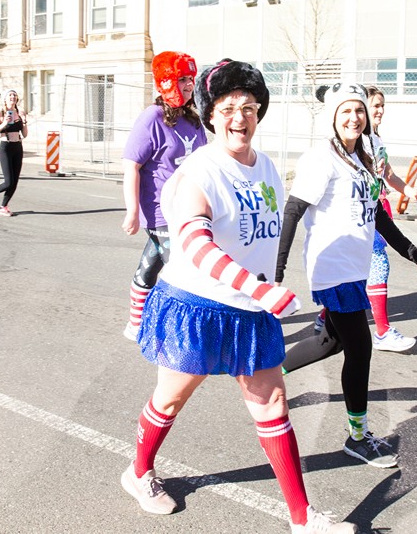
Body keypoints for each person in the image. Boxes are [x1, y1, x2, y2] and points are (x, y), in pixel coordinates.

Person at [122, 60, 357, 534]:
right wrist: (258, 287)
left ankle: (303, 518)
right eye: (228, 107)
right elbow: (195, 243)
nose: (239, 117)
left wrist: (269, 286)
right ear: (210, 115)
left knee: (273, 407)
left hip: (251, 312)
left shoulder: (266, 166)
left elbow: (265, 238)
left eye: (248, 107)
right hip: (198, 307)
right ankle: (139, 471)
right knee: (169, 401)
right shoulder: (197, 173)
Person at [275, 81, 417, 469]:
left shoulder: (363, 156)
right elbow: (293, 210)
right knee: (360, 349)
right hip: (333, 268)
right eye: (346, 111)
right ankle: (358, 438)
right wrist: (275, 269)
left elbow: (376, 212)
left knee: (331, 342)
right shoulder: (321, 158)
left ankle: (267, 371)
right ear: (332, 117)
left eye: (358, 110)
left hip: (354, 266)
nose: (354, 117)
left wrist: (410, 250)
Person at [120, 51, 207, 341]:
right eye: (181, 79)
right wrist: (132, 211)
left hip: (190, 209)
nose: (188, 85)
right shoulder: (152, 118)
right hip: (161, 211)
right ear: (166, 81)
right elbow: (132, 165)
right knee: (184, 272)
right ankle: (181, 335)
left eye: (190, 80)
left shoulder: (193, 120)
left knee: (151, 264)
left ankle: (135, 323)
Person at [0, 90, 28, 217]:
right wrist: (4, 123)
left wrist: (24, 121)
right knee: (8, 181)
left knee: (15, 182)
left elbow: (24, 134)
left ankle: (3, 207)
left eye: (15, 95)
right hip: (6, 147)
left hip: (18, 146)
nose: (13, 97)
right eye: (10, 95)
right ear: (5, 99)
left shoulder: (20, 112)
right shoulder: (0, 113)